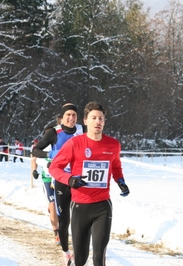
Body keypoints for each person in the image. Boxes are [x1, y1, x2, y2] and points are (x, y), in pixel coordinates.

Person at [49, 101, 130, 266]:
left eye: (101, 118)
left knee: (99, 257)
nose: (97, 122)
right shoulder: (75, 143)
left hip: (103, 206)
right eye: (93, 118)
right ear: (85, 121)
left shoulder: (113, 145)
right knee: (80, 258)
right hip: (80, 206)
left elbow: (115, 165)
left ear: (104, 122)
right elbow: (54, 168)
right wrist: (70, 179)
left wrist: (120, 181)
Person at [32, 103, 85, 265]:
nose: (71, 118)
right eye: (68, 115)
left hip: (80, 180)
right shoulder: (55, 132)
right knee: (65, 219)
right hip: (62, 181)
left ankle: (78, 250)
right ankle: (65, 252)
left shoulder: (83, 130)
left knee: (81, 218)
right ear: (62, 117)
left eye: (74, 115)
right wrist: (50, 153)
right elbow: (35, 150)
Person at [32, 126, 60, 245]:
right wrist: (34, 171)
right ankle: (57, 233)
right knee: (53, 204)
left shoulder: (61, 143)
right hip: (47, 179)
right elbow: (35, 159)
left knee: (61, 207)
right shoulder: (43, 146)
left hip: (59, 178)